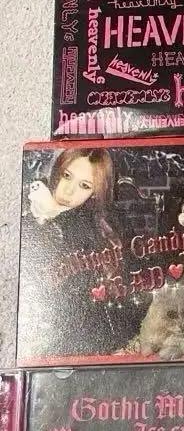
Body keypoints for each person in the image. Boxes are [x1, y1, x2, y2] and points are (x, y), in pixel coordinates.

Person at [18, 148, 137, 359]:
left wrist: (55, 215)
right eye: (67, 176)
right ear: (57, 171)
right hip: (44, 336)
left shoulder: (94, 227)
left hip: (94, 338)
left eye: (84, 186)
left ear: (95, 192)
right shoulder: (30, 216)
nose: (68, 191)